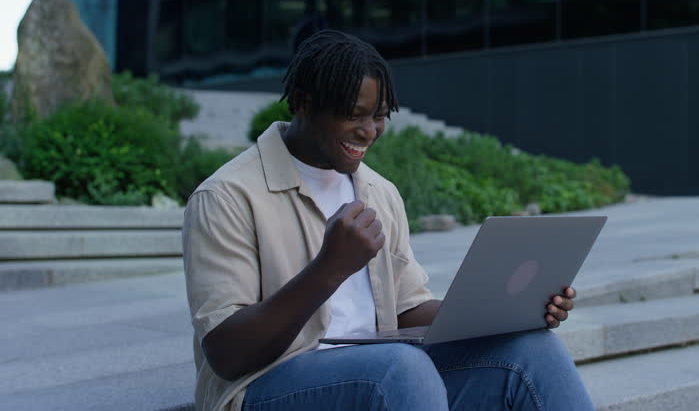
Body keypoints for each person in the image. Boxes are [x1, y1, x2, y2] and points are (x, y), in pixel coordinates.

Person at [182, 30, 595, 411]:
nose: (368, 131)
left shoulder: (378, 192)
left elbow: (406, 309)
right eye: (353, 115)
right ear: (304, 103)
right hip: (266, 387)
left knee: (532, 349)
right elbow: (227, 354)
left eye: (378, 115)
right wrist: (329, 269)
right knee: (400, 367)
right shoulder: (226, 197)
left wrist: (510, 311)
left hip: (383, 378)